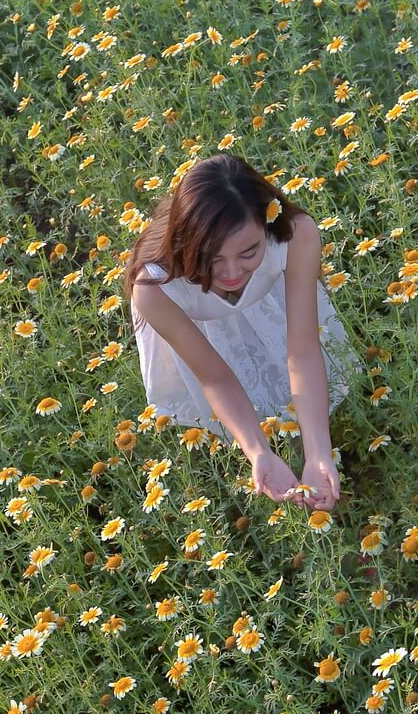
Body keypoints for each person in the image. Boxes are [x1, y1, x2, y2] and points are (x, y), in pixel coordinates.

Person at [124, 152, 359, 511]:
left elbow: (302, 350)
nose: (232, 272)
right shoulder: (154, 289)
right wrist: (258, 451)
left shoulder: (297, 235)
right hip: (195, 324)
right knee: (236, 411)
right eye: (212, 258)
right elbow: (214, 377)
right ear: (186, 242)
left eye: (249, 252)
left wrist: (318, 453)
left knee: (294, 394)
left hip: (272, 307)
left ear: (267, 225)